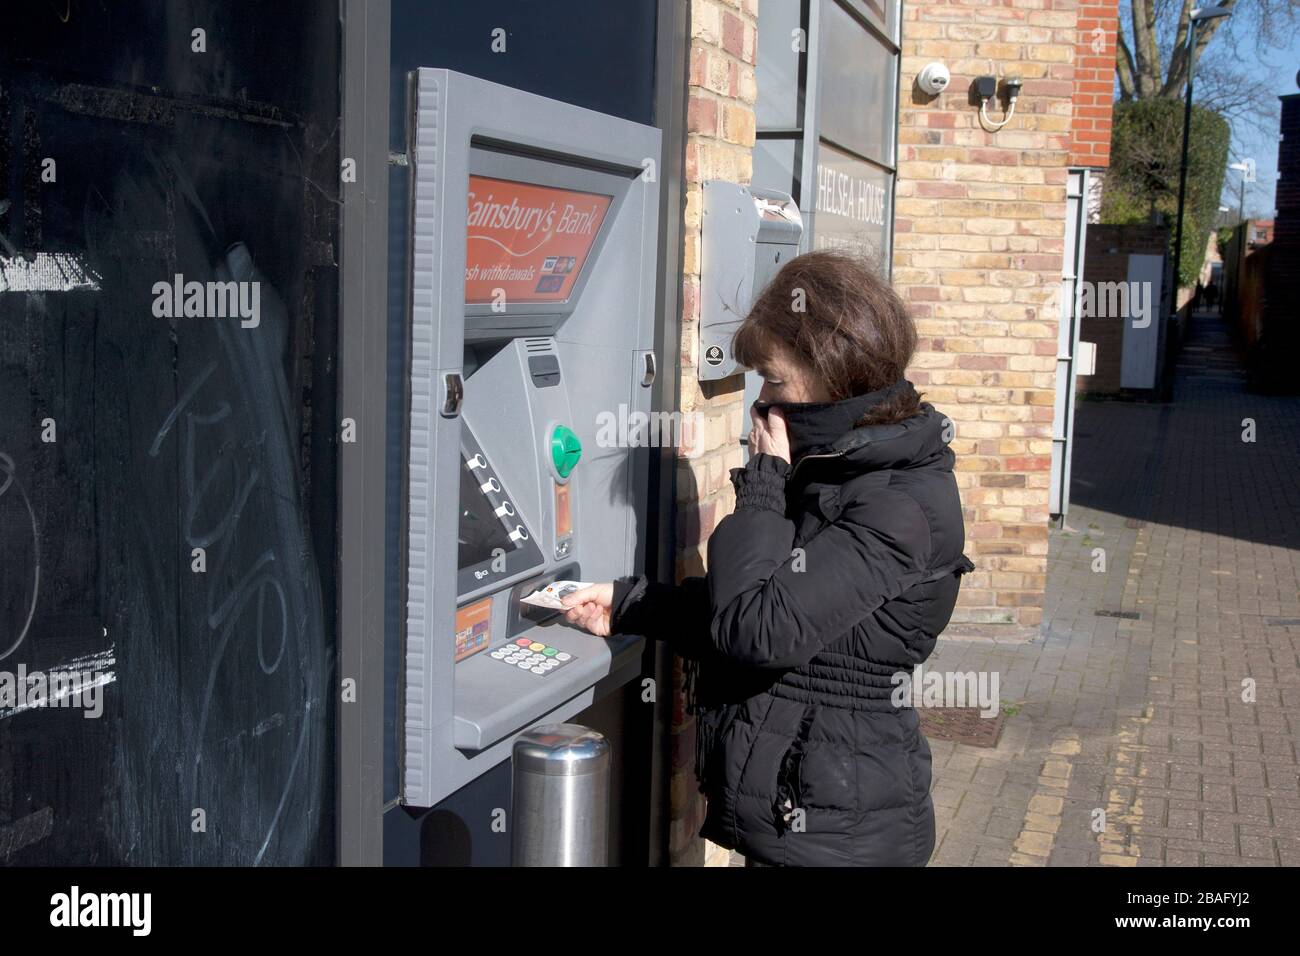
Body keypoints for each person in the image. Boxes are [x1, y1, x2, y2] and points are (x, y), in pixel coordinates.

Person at [561, 250, 973, 866]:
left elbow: (758, 629)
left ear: (833, 370)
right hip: (806, 815)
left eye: (775, 381)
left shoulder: (897, 502)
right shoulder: (846, 469)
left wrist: (762, 486)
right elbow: (766, 605)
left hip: (840, 835)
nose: (762, 401)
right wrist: (631, 604)